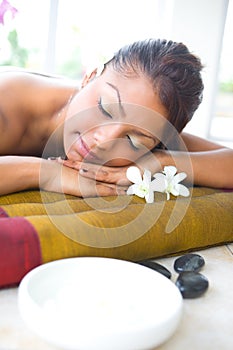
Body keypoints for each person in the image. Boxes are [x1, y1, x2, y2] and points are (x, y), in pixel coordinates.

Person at [0, 38, 232, 198]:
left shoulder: (147, 130)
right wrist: (47, 174)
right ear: (90, 77)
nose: (105, 141)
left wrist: (161, 161)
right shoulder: (6, 106)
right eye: (105, 109)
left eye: (133, 141)